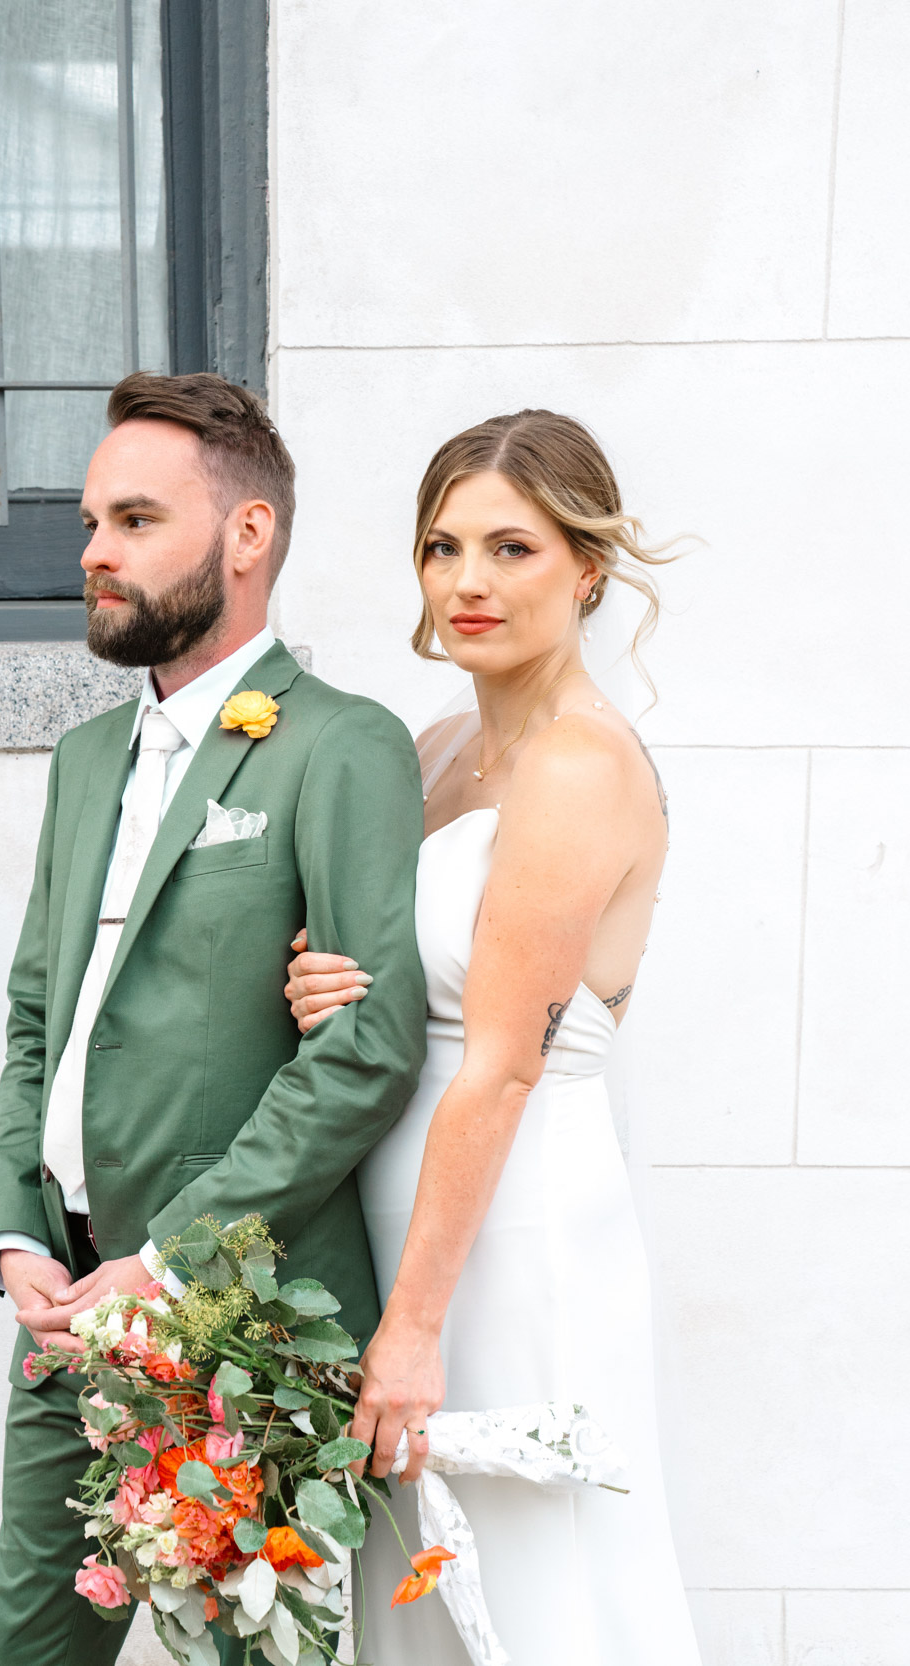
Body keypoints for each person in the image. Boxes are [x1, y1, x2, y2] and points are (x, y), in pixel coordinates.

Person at [0, 372, 428, 1666]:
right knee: (27, 1645)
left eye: (130, 519)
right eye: (87, 523)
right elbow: (32, 1020)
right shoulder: (79, 765)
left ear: (246, 534)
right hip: (64, 1299)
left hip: (239, 1305)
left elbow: (363, 1047)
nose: (93, 553)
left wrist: (165, 1261)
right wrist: (15, 1235)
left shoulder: (339, 746)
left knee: (257, 1661)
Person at [283, 409, 703, 1663]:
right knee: (426, 1587)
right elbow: (402, 988)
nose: (467, 581)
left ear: (585, 567)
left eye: (510, 548)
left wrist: (412, 1324)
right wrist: (325, 987)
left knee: (535, 1587)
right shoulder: (434, 749)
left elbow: (505, 1057)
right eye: (441, 545)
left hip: (515, 1227)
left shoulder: (580, 764)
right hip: (408, 1207)